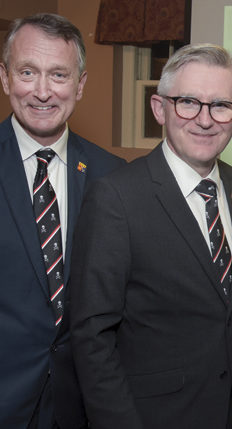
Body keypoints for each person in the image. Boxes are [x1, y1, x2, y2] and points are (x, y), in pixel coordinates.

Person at [69, 43, 232, 429]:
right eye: (188, 102)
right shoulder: (116, 197)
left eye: (220, 106)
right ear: (159, 108)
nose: (205, 119)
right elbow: (92, 337)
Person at [0, 13, 124, 429]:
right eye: (27, 72)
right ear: (4, 77)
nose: (42, 91)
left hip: (84, 404)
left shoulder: (114, 177)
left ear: (80, 84)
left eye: (58, 74)